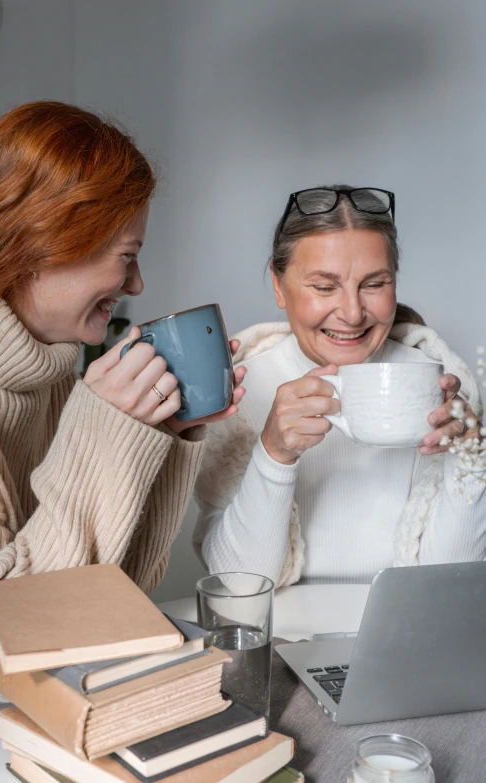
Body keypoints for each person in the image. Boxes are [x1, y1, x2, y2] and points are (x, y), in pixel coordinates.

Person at [0, 101, 246, 696]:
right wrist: (102, 429)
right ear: (45, 242)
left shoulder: (50, 373)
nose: (138, 285)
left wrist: (156, 440)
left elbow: (115, 598)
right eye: (127, 257)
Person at [194, 186, 485, 588]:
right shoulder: (241, 393)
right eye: (324, 287)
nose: (351, 313)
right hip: (283, 642)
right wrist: (274, 454)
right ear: (278, 286)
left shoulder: (438, 384)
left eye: (374, 284)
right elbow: (239, 586)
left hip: (404, 637)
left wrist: (468, 461)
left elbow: (452, 582)